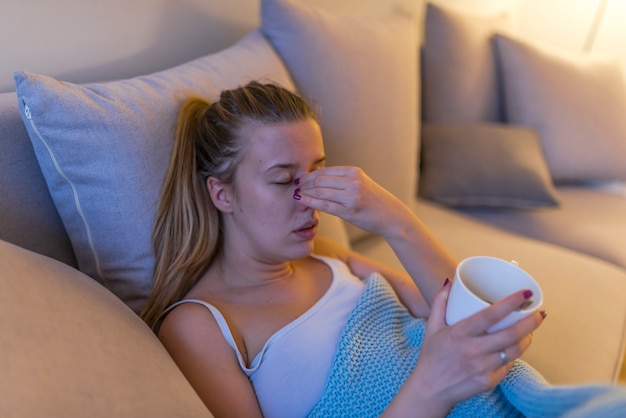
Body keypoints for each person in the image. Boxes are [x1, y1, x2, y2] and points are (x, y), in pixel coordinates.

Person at [140, 81, 546, 417]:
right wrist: (432, 386)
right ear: (221, 193)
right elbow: (447, 362)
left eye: (317, 172)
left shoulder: (327, 256)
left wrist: (395, 220)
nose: (310, 198)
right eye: (283, 180)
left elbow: (469, 320)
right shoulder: (201, 327)